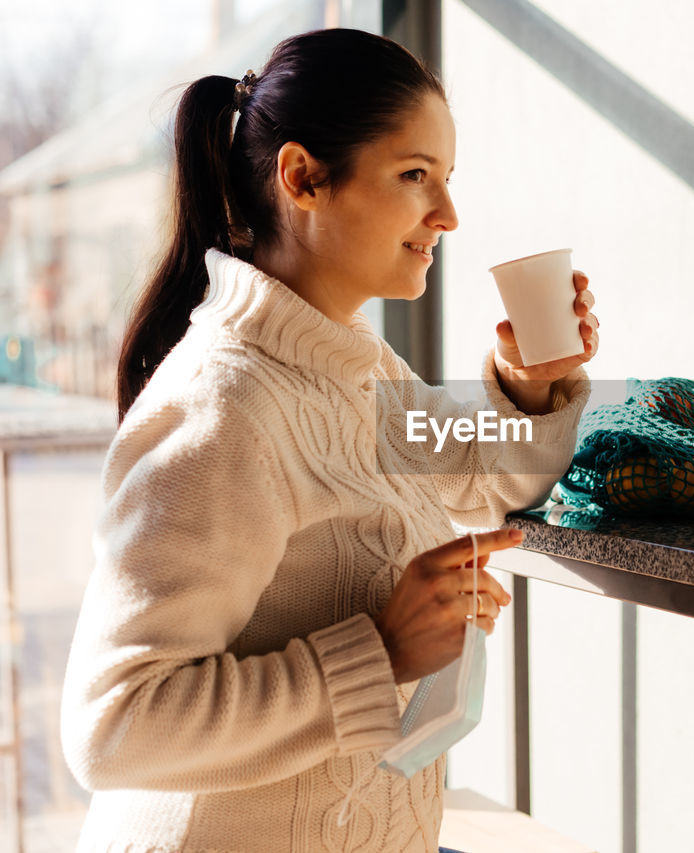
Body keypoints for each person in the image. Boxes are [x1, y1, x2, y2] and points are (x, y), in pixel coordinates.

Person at [60, 28, 599, 852]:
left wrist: (526, 381)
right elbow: (113, 724)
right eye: (415, 176)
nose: (447, 215)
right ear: (304, 178)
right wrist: (380, 651)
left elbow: (482, 475)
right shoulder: (223, 406)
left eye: (447, 179)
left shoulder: (347, 365)